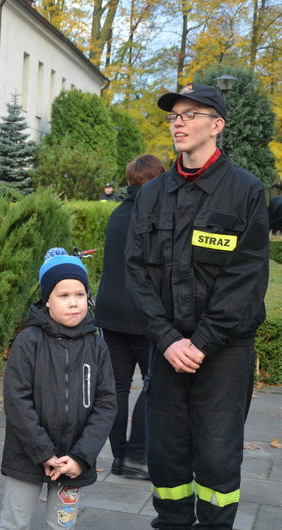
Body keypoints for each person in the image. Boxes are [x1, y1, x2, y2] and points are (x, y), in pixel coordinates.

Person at [126, 83, 269, 529]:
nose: (179, 123)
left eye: (190, 114)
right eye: (173, 116)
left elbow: (245, 277)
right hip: (168, 349)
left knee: (217, 457)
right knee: (165, 455)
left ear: (217, 125)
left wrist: (201, 341)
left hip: (223, 352)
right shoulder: (152, 194)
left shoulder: (245, 190)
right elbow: (136, 271)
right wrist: (168, 340)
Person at [0, 248, 116, 530]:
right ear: (47, 300)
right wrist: (43, 452)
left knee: (61, 526)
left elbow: (106, 404)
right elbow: (17, 400)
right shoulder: (29, 341)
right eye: (63, 295)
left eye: (80, 294)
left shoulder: (96, 345)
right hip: (26, 455)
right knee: (13, 523)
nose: (74, 302)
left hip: (73, 460)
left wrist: (81, 457)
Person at [94, 154, 165, 480]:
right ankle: (137, 456)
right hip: (143, 316)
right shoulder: (158, 216)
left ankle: (121, 457)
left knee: (117, 388)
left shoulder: (118, 213)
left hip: (110, 313)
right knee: (156, 384)